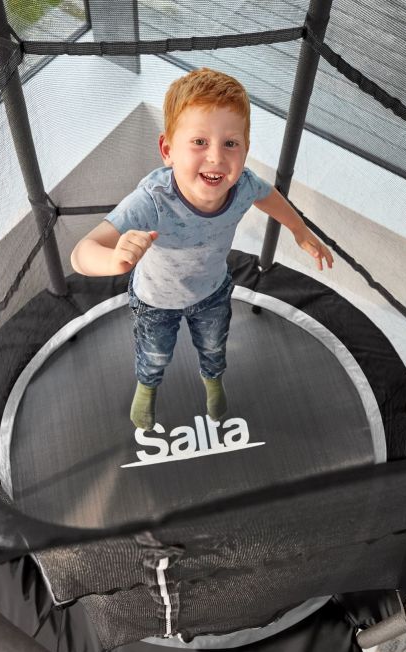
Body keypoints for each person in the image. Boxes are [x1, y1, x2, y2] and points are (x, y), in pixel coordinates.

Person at [70, 68, 333, 430]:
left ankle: (213, 382)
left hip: (212, 292)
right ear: (168, 150)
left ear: (246, 150)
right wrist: (113, 260)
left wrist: (298, 229)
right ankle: (147, 387)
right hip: (155, 300)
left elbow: (268, 195)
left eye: (230, 144)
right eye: (199, 142)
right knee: (154, 354)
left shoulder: (243, 186)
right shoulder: (153, 201)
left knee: (213, 347)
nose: (216, 158)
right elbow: (81, 253)